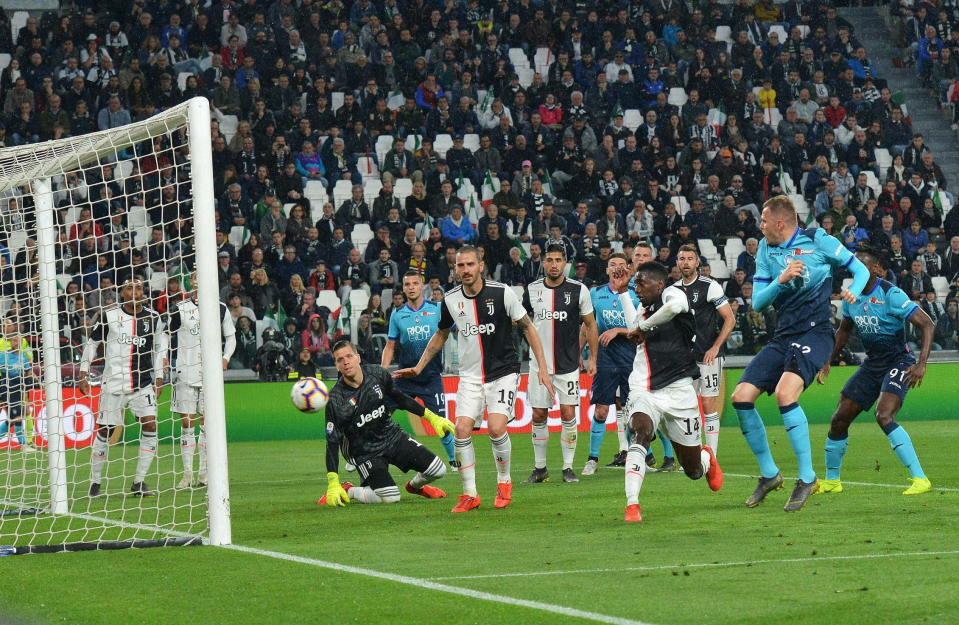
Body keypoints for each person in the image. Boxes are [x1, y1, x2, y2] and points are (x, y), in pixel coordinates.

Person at [730, 195, 870, 512]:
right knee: (740, 397)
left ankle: (807, 477)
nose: (759, 225)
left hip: (816, 333)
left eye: (763, 220)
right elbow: (758, 303)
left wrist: (853, 292)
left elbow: (859, 270)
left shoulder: (818, 239)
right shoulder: (766, 249)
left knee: (784, 393)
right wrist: (781, 280)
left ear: (780, 223)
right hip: (783, 336)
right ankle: (769, 475)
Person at [394, 246, 555, 513]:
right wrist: (419, 366)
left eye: (470, 264)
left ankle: (504, 481)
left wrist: (542, 368)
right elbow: (441, 335)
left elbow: (528, 327)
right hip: (469, 376)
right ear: (455, 269)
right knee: (461, 430)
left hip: (503, 372)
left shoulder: (502, 292)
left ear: (481, 265)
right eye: (460, 266)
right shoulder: (450, 299)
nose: (465, 270)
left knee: (495, 428)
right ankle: (470, 494)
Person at [609, 261, 723, 522]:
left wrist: (643, 328)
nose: (637, 288)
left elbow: (673, 310)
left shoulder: (674, 294)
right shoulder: (643, 308)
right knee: (640, 431)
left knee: (692, 470)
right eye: (635, 284)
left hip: (680, 391)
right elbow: (634, 327)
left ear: (659, 284)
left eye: (641, 283)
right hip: (644, 388)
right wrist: (624, 291)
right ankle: (632, 505)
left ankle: (706, 458)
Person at [817, 248, 935, 496]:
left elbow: (927, 324)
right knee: (839, 417)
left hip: (898, 361)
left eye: (860, 263)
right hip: (872, 364)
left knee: (884, 415)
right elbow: (844, 330)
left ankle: (920, 478)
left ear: (874, 269)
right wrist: (828, 359)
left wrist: (921, 363)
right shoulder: (852, 296)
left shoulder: (890, 294)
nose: (854, 267)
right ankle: (832, 481)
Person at [319, 341, 453, 506]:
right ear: (337, 366)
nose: (345, 362)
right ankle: (349, 490)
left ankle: (414, 487)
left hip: (392, 436)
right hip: (365, 452)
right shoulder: (335, 400)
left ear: (358, 358)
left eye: (349, 356)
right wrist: (333, 481)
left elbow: (400, 398)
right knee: (391, 497)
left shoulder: (377, 374)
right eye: (340, 359)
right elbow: (332, 442)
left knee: (439, 470)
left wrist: (432, 417)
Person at [80, 278, 168, 497]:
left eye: (138, 288)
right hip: (114, 383)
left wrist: (159, 377)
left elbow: (159, 349)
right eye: (130, 288)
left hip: (142, 383)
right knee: (105, 430)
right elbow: (92, 343)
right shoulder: (109, 316)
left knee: (150, 426)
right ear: (122, 293)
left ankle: (139, 481)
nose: (135, 292)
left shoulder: (153, 318)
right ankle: (95, 482)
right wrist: (83, 371)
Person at [522, 243, 598, 484]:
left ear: (566, 263)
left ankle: (567, 468)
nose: (554, 264)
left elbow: (590, 324)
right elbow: (522, 322)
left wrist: (592, 357)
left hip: (568, 366)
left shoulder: (579, 290)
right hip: (538, 365)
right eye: (549, 260)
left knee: (567, 413)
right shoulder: (532, 290)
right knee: (538, 414)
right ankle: (540, 468)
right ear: (543, 262)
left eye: (558, 260)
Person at [168, 273, 236, 488]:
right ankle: (187, 473)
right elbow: (164, 334)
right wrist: (163, 358)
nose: (198, 280)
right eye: (195, 277)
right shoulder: (180, 308)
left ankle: (204, 474)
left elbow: (231, 337)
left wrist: (225, 358)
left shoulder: (220, 308)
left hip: (210, 376)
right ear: (191, 281)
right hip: (185, 373)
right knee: (187, 424)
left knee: (207, 426)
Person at [381, 271, 456, 468]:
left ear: (422, 286)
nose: (412, 287)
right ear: (404, 288)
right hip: (404, 379)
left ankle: (453, 459)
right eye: (408, 284)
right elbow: (390, 345)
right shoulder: (398, 315)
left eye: (415, 283)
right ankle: (366, 453)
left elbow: (458, 329)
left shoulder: (438, 308)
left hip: (431, 378)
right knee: (379, 415)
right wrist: (382, 371)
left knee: (442, 422)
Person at [580, 250, 640, 474]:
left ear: (629, 270)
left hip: (631, 359)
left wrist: (618, 330)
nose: (616, 267)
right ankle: (592, 459)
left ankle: (633, 457)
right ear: (607, 270)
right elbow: (587, 326)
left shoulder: (636, 294)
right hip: (605, 358)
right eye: (612, 264)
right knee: (601, 411)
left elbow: (641, 327)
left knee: (631, 410)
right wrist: (581, 353)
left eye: (621, 264)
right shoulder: (595, 294)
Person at [673, 245, 736, 455]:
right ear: (677, 262)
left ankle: (712, 455)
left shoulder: (710, 286)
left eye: (690, 258)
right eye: (682, 258)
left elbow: (730, 318)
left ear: (697, 262)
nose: (686, 262)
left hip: (708, 356)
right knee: (687, 407)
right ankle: (692, 453)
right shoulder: (672, 290)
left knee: (708, 404)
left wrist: (716, 347)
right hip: (684, 360)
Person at [0, 318, 34, 452]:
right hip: (6, 387)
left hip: (19, 388)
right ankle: (24, 445)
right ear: (10, 342)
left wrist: (37, 381)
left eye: (19, 340)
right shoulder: (3, 355)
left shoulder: (23, 356)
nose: (17, 342)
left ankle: (24, 444)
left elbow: (28, 371)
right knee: (17, 416)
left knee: (15, 417)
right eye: (14, 340)